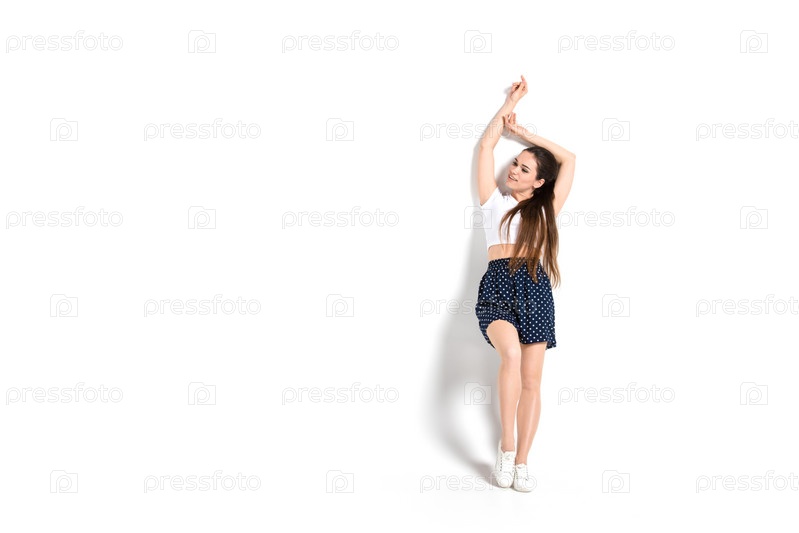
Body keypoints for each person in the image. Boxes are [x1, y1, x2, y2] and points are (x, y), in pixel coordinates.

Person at [474, 74, 576, 492]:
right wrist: (509, 108)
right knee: (511, 355)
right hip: (498, 286)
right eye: (515, 163)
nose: (514, 169)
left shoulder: (545, 210)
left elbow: (569, 159)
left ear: (539, 182)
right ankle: (506, 446)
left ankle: (522, 463)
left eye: (524, 168)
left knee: (533, 381)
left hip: (535, 287)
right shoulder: (492, 202)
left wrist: (528, 136)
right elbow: (486, 148)